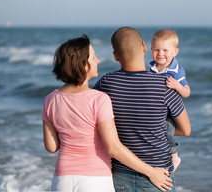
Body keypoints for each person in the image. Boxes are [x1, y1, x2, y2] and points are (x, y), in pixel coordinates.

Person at [42, 34, 173, 192]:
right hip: (94, 180)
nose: (98, 60)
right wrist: (151, 172)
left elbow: (51, 146)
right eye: (94, 57)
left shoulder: (50, 99)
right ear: (83, 64)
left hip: (62, 179)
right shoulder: (99, 99)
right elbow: (113, 147)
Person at [93, 27, 191, 192]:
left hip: (119, 175)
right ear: (145, 47)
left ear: (115, 56)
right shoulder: (165, 85)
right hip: (158, 177)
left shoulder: (105, 83)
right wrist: (153, 129)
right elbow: (185, 130)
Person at [149, 29, 191, 172]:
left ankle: (174, 156)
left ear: (175, 52)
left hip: (170, 111)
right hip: (156, 109)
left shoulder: (177, 70)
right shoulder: (151, 68)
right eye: (156, 50)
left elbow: (187, 92)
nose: (160, 54)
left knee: (166, 131)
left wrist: (177, 85)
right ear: (151, 50)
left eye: (165, 50)